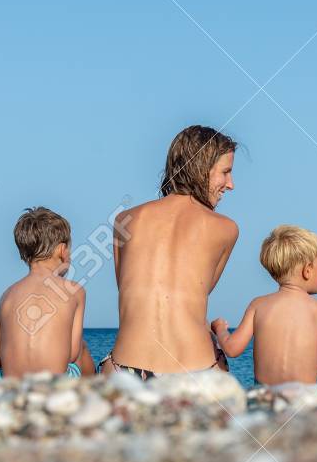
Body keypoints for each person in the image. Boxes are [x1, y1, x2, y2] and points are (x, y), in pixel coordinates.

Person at [100, 125, 240, 379]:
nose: (230, 185)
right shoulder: (225, 228)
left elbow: (127, 290)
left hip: (127, 371)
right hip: (194, 373)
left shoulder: (125, 220)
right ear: (201, 168)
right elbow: (199, 292)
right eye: (226, 172)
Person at [212, 225, 317, 390]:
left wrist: (220, 329)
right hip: (305, 395)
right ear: (308, 271)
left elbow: (232, 349)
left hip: (265, 394)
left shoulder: (258, 304)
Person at [0, 207, 90, 379]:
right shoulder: (75, 291)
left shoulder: (7, 295)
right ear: (62, 250)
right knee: (82, 349)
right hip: (54, 384)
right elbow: (72, 354)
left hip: (11, 385)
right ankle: (95, 388)